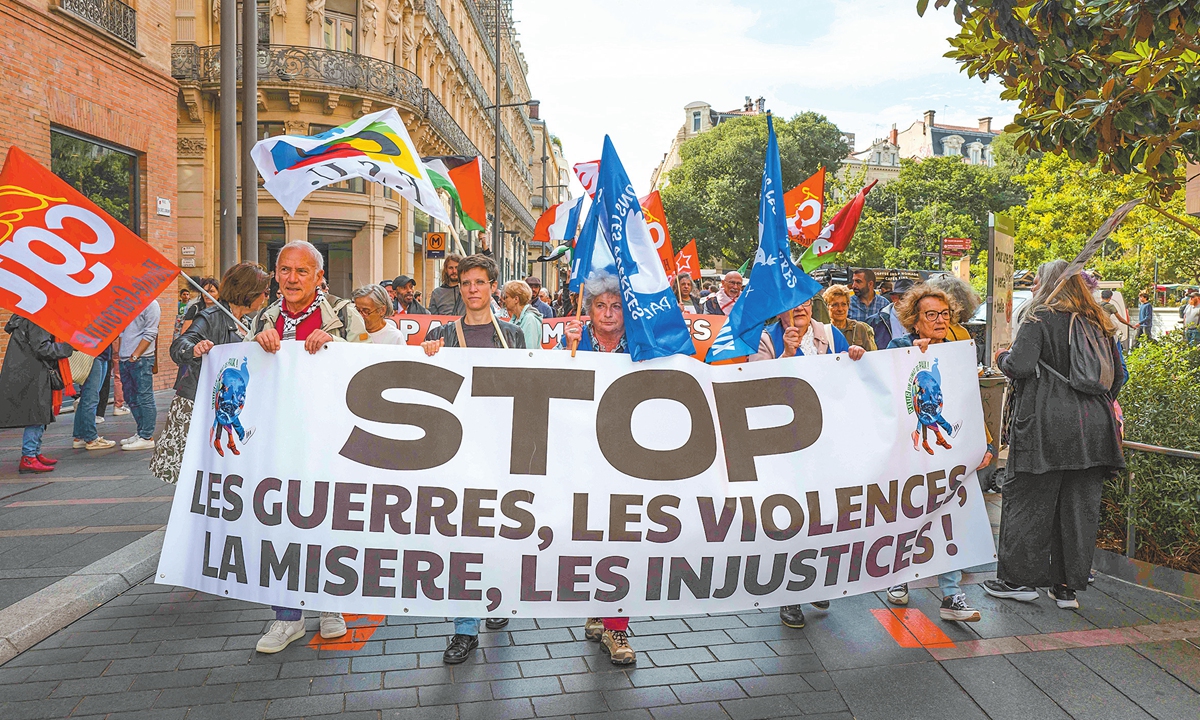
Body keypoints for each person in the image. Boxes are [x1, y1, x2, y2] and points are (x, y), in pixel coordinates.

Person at [984, 259, 1125, 610]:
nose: (1032, 287)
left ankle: (1018, 581)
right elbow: (1118, 376)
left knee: (1029, 498)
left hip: (1045, 424)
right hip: (1095, 427)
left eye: (1036, 281)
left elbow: (1020, 366)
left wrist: (1002, 356)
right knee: (1079, 508)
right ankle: (1066, 588)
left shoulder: (1039, 318)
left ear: (1049, 283)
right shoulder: (1101, 322)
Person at [248, 240, 367, 653]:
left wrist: (338, 348)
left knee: (328, 519)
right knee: (281, 523)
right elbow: (245, 374)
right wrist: (251, 347)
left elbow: (369, 368)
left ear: (319, 276)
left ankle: (330, 606)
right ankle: (287, 617)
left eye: (301, 271)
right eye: (284, 270)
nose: (292, 279)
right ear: (275, 274)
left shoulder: (344, 314)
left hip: (329, 438)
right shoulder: (264, 316)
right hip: (279, 438)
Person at [419, 254, 520, 664]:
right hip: (457, 452)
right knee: (461, 538)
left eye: (480, 282)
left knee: (496, 533)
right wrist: (429, 355)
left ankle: (495, 599)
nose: (472, 289)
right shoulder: (443, 332)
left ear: (493, 286)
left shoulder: (511, 334)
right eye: (466, 283)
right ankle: (464, 628)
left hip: (500, 449)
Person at [885, 284, 993, 622]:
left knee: (950, 517)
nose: (939, 320)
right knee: (908, 515)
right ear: (914, 320)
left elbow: (967, 402)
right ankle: (898, 579)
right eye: (931, 314)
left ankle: (952, 595)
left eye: (944, 314)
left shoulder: (958, 351)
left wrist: (984, 442)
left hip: (947, 455)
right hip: (909, 452)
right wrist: (913, 357)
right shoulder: (898, 348)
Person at [559, 273, 641, 664]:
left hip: (629, 459)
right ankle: (598, 606)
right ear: (588, 310)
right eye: (600, 306)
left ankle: (616, 628)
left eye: (616, 306)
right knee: (592, 538)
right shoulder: (573, 342)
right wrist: (566, 352)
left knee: (621, 539)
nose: (608, 314)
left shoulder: (642, 345)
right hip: (583, 457)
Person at [153, 263, 270, 484]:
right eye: (263, 291)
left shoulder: (247, 323)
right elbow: (180, 345)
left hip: (222, 406)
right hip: (197, 405)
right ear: (248, 290)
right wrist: (194, 349)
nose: (266, 296)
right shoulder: (212, 317)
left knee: (214, 473)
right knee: (188, 475)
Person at [0, 316, 75, 473]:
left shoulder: (28, 317)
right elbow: (42, 349)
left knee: (39, 413)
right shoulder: (37, 319)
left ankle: (34, 452)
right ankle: (28, 457)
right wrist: (68, 347)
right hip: (32, 374)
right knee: (36, 415)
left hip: (29, 372)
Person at [750, 298, 866, 362]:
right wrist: (786, 355)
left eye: (805, 301)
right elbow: (760, 389)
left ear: (811, 308)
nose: (799, 308)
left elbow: (850, 379)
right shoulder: (764, 341)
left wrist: (856, 356)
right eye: (791, 302)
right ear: (778, 312)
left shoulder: (830, 333)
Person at [114, 299, 162, 452]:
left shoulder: (152, 304)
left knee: (144, 397)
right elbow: (122, 331)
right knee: (130, 397)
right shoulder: (128, 304)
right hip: (125, 358)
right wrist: (122, 355)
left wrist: (135, 355)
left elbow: (151, 332)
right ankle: (141, 431)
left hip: (141, 359)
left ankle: (147, 436)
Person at [70, 342, 115, 451]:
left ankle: (79, 436)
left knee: (88, 396)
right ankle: (91, 438)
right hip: (92, 355)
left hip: (101, 354)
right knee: (91, 398)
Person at [823, 284, 877, 351]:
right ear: (827, 307)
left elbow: (870, 356)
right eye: (835, 305)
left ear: (848, 306)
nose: (840, 309)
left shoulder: (859, 328)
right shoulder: (823, 331)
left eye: (843, 304)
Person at [867, 278, 914, 350]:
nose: (909, 303)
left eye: (913, 299)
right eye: (904, 298)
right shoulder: (874, 322)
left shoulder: (922, 320)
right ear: (894, 298)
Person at [503, 280, 544, 349]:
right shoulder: (515, 319)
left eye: (506, 297)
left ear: (516, 299)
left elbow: (529, 351)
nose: (504, 300)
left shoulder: (529, 319)